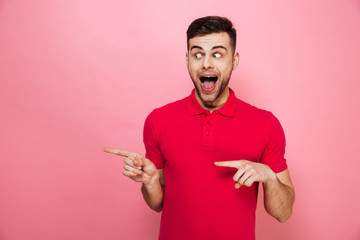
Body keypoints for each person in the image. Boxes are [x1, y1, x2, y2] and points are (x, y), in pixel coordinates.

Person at [104, 16, 295, 240]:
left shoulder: (265, 124)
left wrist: (270, 177)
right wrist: (150, 183)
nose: (206, 63)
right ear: (187, 60)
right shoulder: (159, 120)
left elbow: (284, 213)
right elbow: (157, 204)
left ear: (234, 60)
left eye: (217, 54)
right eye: (197, 54)